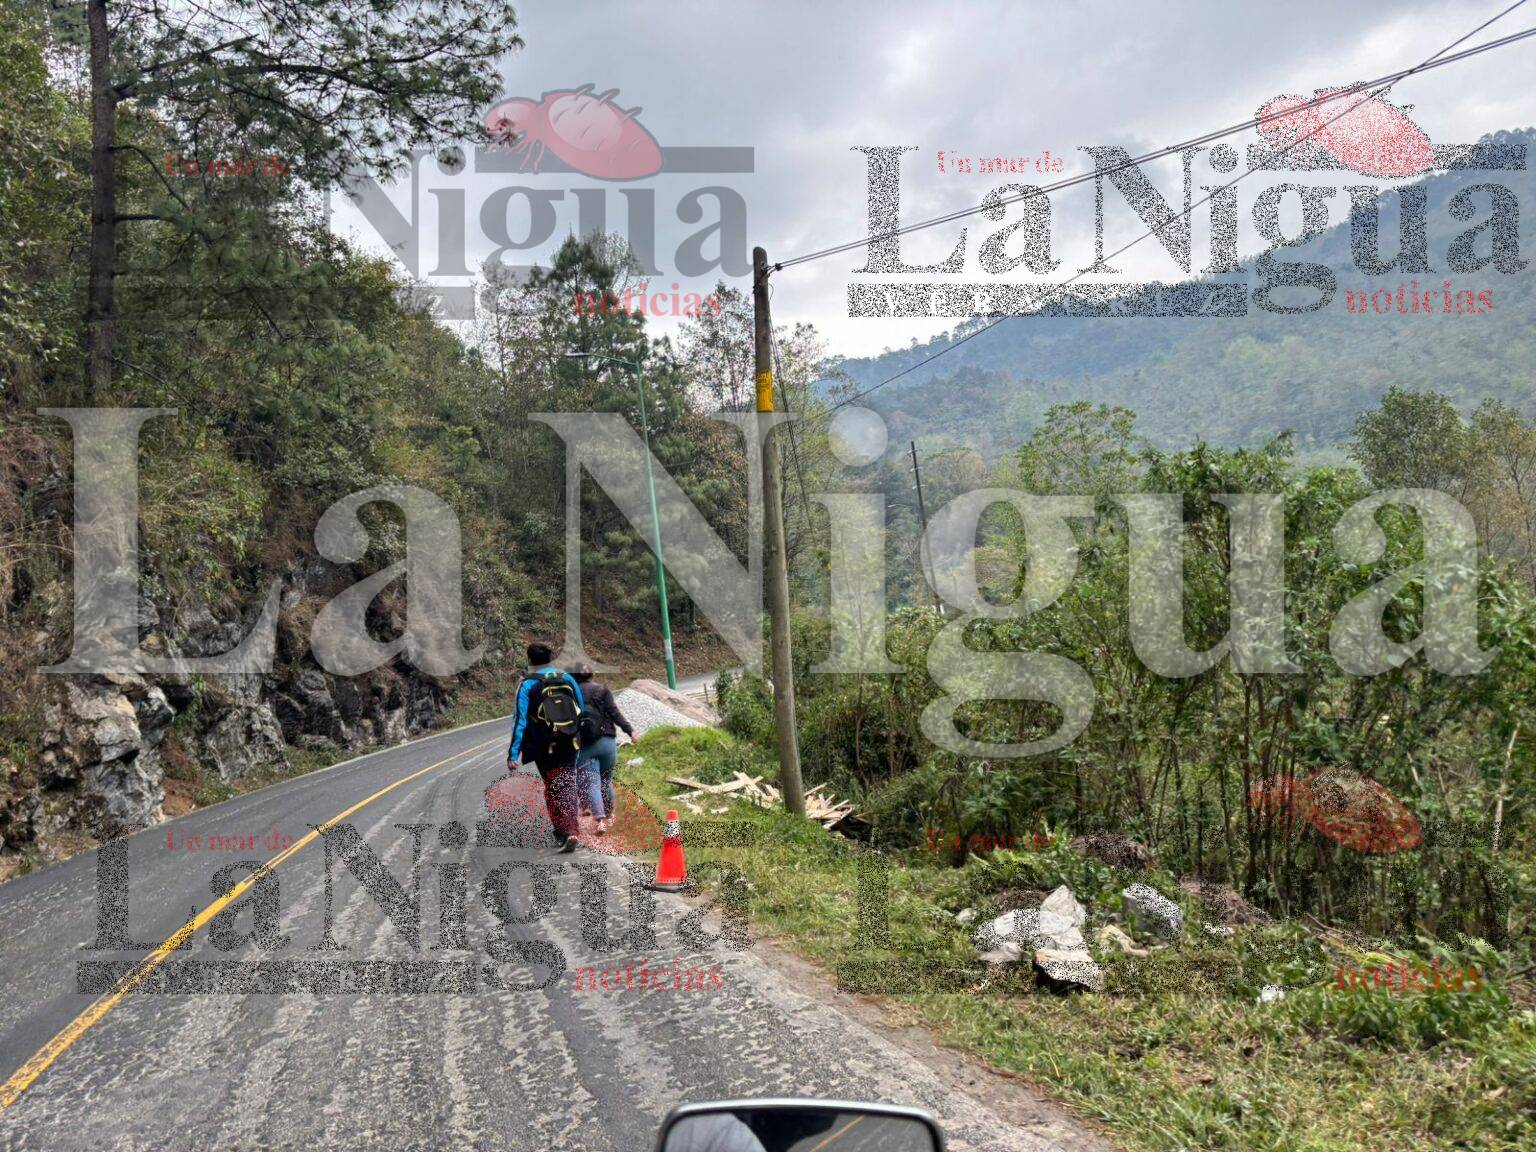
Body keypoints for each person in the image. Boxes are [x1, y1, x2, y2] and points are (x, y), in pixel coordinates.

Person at [507, 642, 585, 852]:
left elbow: (520, 721)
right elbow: (581, 709)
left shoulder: (527, 684)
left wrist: (513, 754)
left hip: (543, 744)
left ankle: (564, 832)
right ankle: (572, 830)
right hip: (570, 741)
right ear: (551, 659)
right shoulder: (567, 678)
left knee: (552, 786)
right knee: (566, 783)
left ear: (529, 660)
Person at [569, 663, 634, 835]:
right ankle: (610, 815)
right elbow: (614, 713)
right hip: (607, 742)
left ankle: (600, 821)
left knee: (592, 783)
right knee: (606, 780)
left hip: (585, 745)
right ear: (592, 674)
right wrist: (630, 731)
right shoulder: (602, 690)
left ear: (573, 677)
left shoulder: (571, 693)